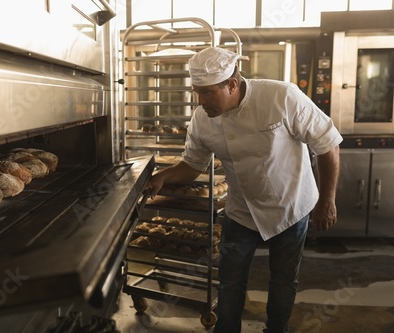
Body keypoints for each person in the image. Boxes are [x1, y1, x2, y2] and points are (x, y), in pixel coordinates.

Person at [144, 47, 342, 333]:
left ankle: (276, 329)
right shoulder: (202, 118)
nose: (201, 101)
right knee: (230, 280)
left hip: (290, 205)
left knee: (284, 279)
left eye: (208, 92)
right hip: (242, 209)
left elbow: (328, 144)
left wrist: (327, 200)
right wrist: (164, 176)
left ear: (232, 84)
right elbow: (193, 164)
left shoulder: (281, 97)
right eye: (196, 92)